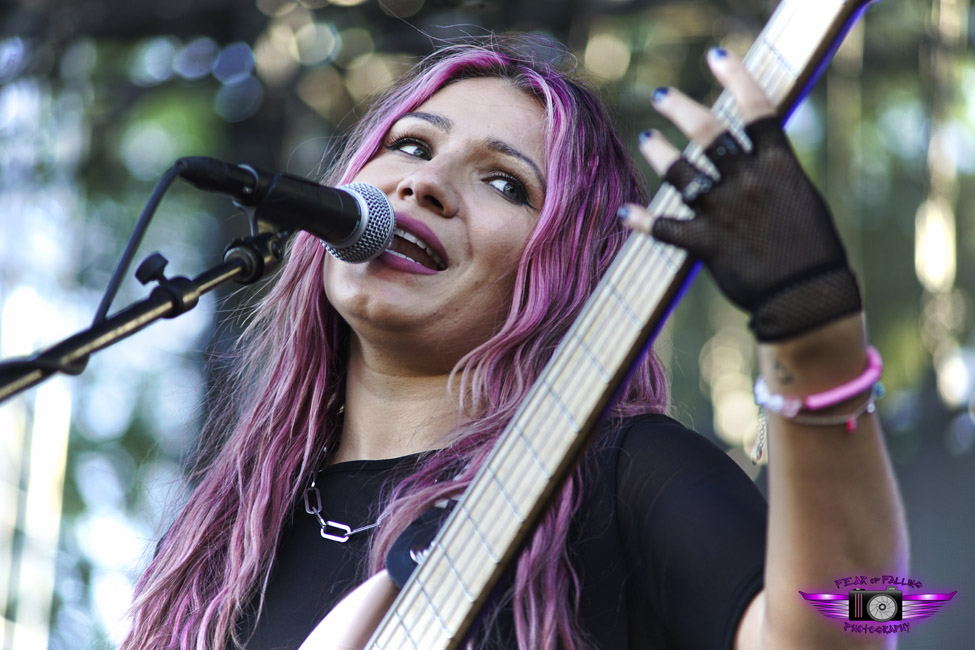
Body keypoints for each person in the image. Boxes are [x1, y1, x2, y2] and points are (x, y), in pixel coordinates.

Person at [118, 36, 907, 650]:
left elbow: (863, 616)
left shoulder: (617, 472)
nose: (421, 185)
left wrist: (813, 332)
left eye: (505, 184)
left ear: (569, 272)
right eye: (413, 146)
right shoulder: (230, 525)